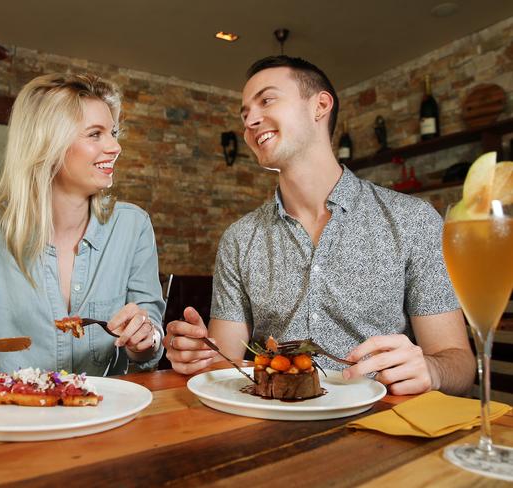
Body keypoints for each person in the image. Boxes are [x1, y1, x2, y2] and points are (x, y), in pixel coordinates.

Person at [164, 56, 475, 396]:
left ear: (320, 106)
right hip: (271, 425)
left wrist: (431, 368)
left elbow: (459, 365)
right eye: (244, 113)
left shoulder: (413, 220)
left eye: (266, 100)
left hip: (384, 427)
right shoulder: (239, 239)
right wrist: (198, 355)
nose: (250, 120)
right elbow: (225, 364)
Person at [0, 73, 165, 384]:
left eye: (113, 132)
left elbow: (149, 348)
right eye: (95, 134)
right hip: (6, 421)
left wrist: (146, 338)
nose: (115, 146)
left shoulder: (133, 226)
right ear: (48, 142)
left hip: (103, 418)